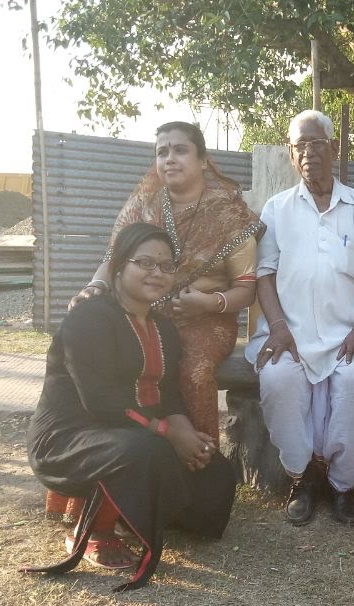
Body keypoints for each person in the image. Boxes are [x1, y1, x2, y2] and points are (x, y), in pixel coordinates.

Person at [47, 121, 264, 526]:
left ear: (202, 160)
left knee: (193, 372)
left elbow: (246, 291)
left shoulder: (230, 214)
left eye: (180, 150)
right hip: (143, 314)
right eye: (162, 151)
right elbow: (116, 259)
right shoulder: (143, 205)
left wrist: (207, 303)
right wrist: (94, 288)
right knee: (110, 375)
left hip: (207, 319)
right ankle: (94, 487)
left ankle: (195, 471)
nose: (169, 158)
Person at [24, 223, 238, 591]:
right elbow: (100, 400)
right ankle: (93, 532)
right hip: (70, 436)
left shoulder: (163, 328)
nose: (157, 273)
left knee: (217, 472)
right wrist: (167, 434)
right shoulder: (88, 318)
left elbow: (168, 393)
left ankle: (131, 513)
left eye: (167, 266)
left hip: (130, 431)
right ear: (120, 266)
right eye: (145, 263)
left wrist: (185, 434)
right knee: (145, 450)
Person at [246, 110, 354, 526]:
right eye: (299, 145)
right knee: (277, 379)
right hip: (288, 331)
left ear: (335, 147)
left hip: (349, 333)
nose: (308, 152)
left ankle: (342, 485)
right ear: (291, 155)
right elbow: (264, 273)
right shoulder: (277, 208)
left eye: (316, 143)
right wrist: (277, 327)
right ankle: (303, 477)